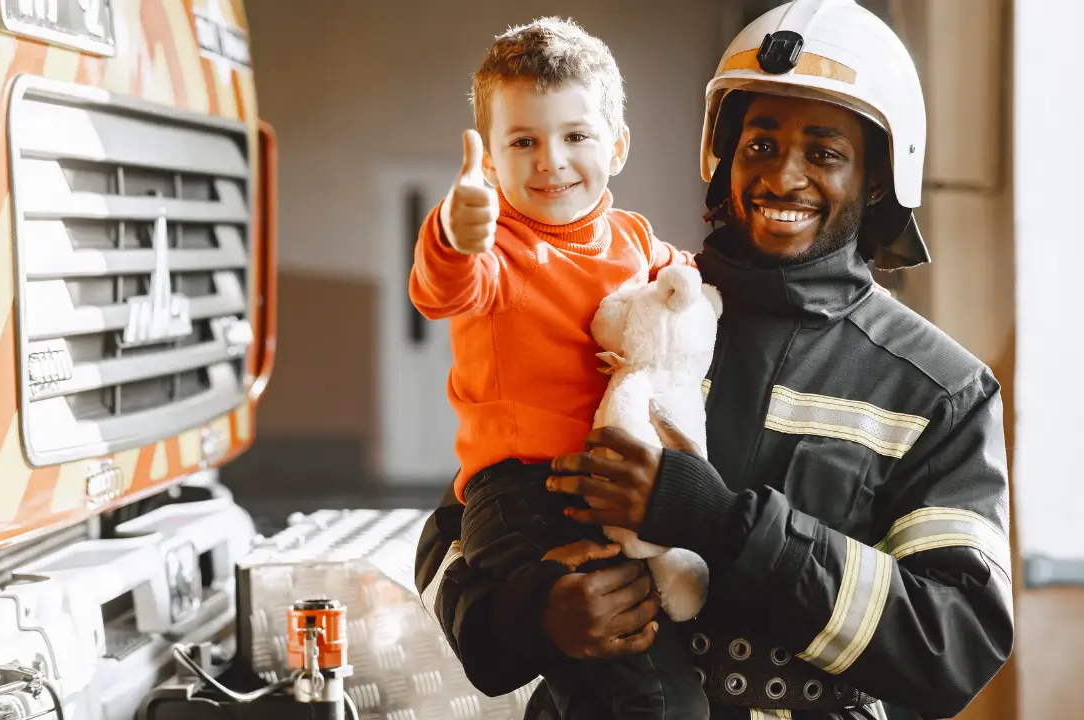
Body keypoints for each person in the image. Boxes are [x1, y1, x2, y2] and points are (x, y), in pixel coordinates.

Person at [415, 1, 1015, 718]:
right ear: (723, 154)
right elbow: (460, 522)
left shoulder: (939, 390)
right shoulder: (646, 308)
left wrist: (721, 522)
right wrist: (527, 618)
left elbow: (954, 646)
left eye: (824, 153)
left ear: (879, 178)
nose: (784, 177)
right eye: (759, 146)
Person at [407, 15, 709, 720]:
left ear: (618, 144)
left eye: (575, 136)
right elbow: (443, 285)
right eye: (523, 142)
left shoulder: (633, 239)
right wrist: (455, 231)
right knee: (651, 694)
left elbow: (694, 292)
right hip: (522, 499)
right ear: (490, 159)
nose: (551, 161)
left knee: (606, 687)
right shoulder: (499, 250)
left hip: (615, 489)